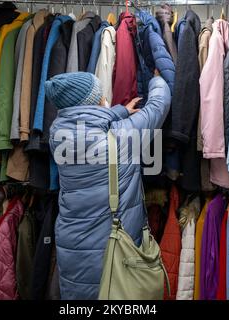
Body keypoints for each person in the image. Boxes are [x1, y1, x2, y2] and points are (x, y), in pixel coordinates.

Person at [47, 71, 171, 300]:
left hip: (72, 245)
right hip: (111, 248)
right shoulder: (121, 138)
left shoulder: (58, 136)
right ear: (95, 102)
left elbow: (86, 126)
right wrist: (157, 78)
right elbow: (158, 107)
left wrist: (121, 111)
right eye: (101, 96)